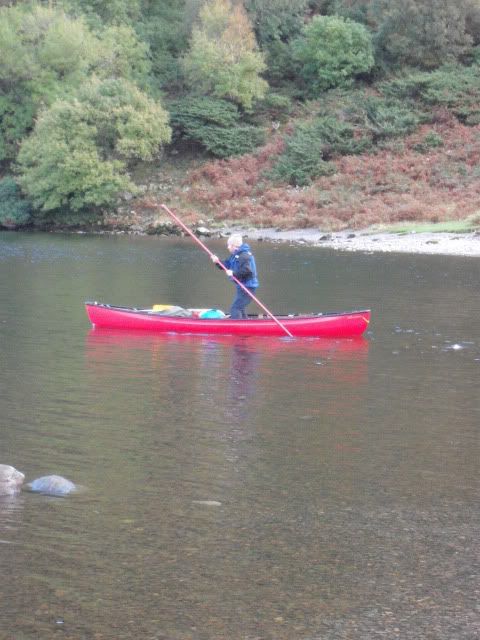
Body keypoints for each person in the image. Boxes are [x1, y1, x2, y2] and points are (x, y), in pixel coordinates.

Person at [210, 234, 259, 319]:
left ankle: (238, 328)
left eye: (229, 245)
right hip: (242, 286)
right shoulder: (235, 255)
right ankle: (245, 325)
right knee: (240, 307)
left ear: (234, 246)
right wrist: (217, 261)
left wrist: (233, 273)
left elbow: (248, 271)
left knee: (235, 308)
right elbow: (227, 265)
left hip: (248, 287)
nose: (228, 247)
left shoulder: (244, 256)